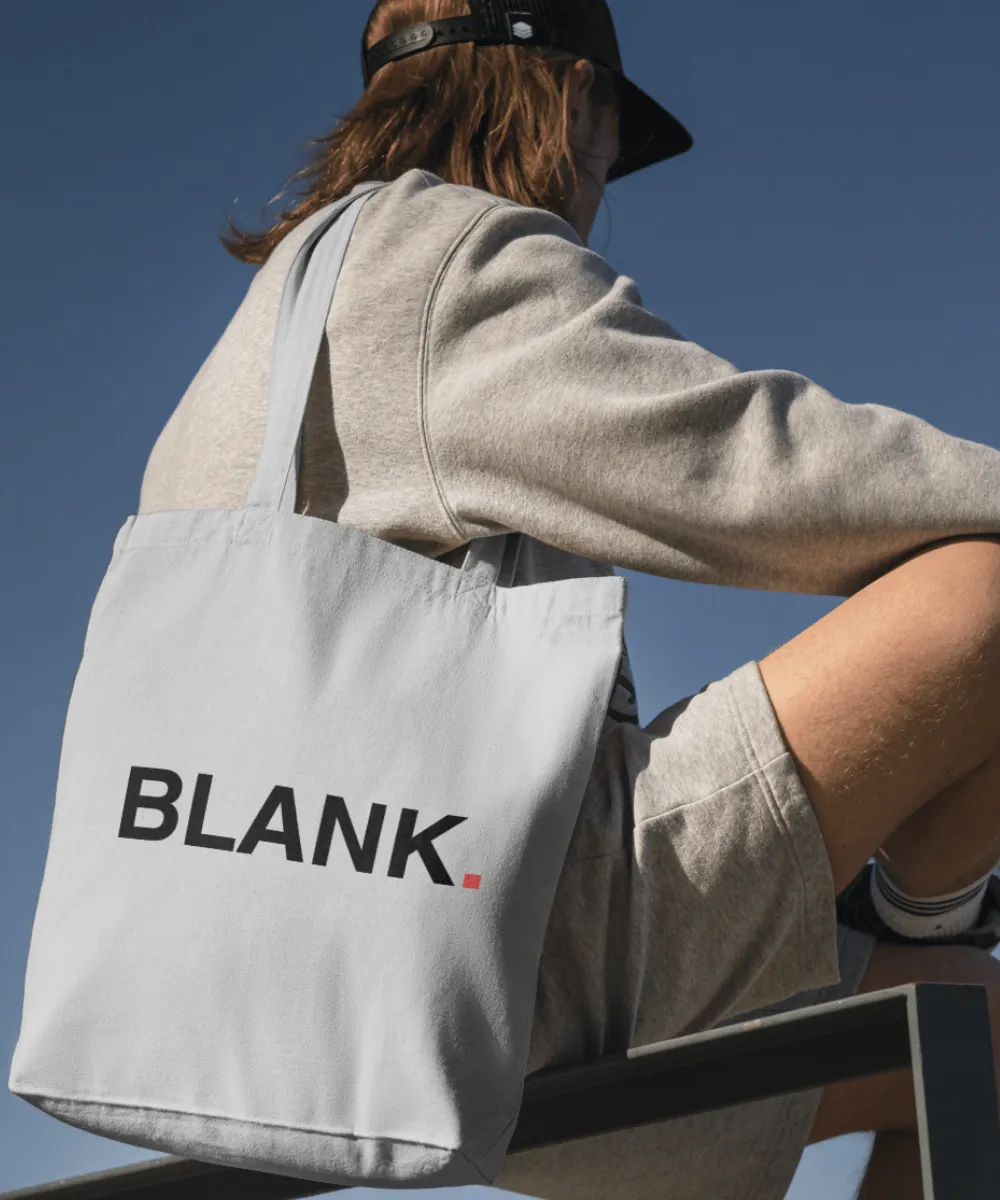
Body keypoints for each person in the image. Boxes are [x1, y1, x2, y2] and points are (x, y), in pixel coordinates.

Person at [139, 1, 1000, 1196]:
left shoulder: (264, 326)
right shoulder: (443, 261)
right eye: (609, 141)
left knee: (973, 1030)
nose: (600, 185)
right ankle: (928, 911)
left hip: (299, 992)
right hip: (491, 959)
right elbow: (753, 471)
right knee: (982, 587)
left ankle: (929, 923)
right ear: (573, 104)